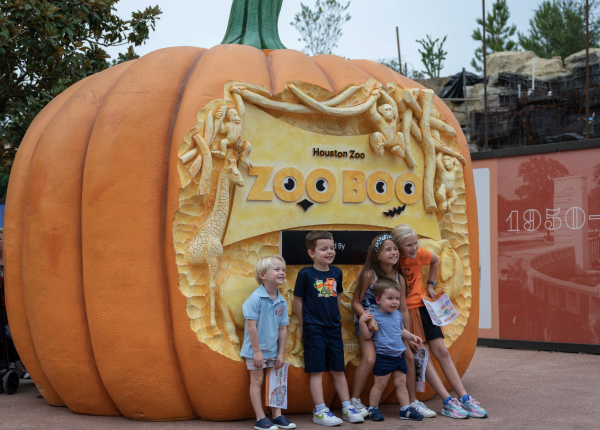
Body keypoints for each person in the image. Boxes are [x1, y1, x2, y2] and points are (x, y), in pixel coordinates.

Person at [391, 224, 488, 419]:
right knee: (421, 355)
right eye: (408, 245)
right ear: (397, 247)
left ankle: (464, 397)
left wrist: (431, 284)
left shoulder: (419, 254)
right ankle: (446, 401)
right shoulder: (391, 262)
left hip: (424, 307)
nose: (413, 248)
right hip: (405, 312)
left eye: (415, 243)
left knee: (442, 351)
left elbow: (435, 260)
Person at [349, 234, 436, 419]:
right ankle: (354, 400)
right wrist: (366, 317)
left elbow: (403, 309)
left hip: (393, 327)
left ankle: (412, 402)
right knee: (370, 359)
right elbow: (355, 302)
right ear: (377, 254)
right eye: (388, 249)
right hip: (369, 323)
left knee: (409, 356)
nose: (393, 252)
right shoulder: (368, 275)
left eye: (395, 249)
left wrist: (408, 334)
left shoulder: (399, 278)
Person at [293, 231, 364, 426]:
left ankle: (347, 406)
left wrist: (333, 315)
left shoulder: (337, 272)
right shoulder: (305, 274)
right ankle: (320, 410)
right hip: (314, 329)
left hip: (334, 329)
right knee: (316, 370)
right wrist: (303, 323)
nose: (329, 252)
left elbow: (338, 296)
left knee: (337, 369)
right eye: (324, 249)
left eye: (331, 248)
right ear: (311, 253)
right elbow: (297, 299)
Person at [241, 255, 296, 430]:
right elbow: (251, 327)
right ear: (262, 275)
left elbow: (282, 328)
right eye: (277, 269)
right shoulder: (256, 298)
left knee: (275, 382)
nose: (282, 272)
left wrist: (281, 353)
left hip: (273, 351)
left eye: (283, 270)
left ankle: (277, 415)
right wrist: (257, 352)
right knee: (257, 381)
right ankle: (260, 418)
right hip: (255, 351)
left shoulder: (281, 300)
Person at [358, 278, 424, 421]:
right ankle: (373, 408)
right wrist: (362, 322)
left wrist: (412, 336)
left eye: (397, 298)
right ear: (378, 300)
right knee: (380, 384)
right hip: (384, 357)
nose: (394, 302)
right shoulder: (374, 316)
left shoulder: (397, 314)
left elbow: (400, 331)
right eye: (390, 298)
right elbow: (368, 335)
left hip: (399, 356)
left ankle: (405, 409)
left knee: (401, 383)